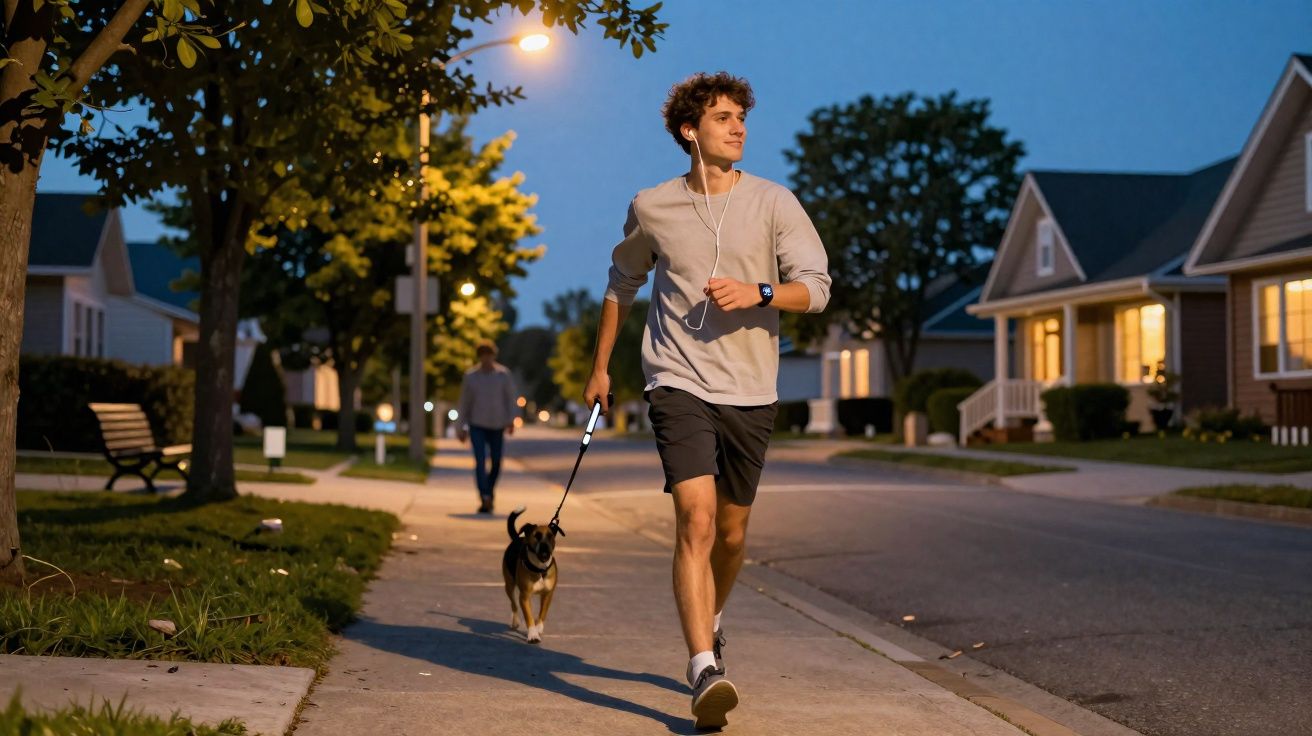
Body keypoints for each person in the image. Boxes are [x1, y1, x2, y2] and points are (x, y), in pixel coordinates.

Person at [582, 71, 831, 729]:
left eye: (742, 117)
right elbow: (620, 286)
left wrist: (763, 292)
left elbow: (818, 287)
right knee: (694, 516)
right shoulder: (652, 206)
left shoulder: (776, 202)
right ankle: (702, 669)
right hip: (676, 378)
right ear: (690, 131)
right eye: (723, 117)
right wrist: (601, 368)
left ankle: (712, 620)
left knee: (731, 530)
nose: (739, 127)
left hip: (751, 388)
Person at [456, 341, 519, 514]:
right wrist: (460, 427)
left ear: (493, 355)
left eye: (489, 355)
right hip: (477, 425)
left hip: (497, 425)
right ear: (479, 357)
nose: (486, 358)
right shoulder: (471, 376)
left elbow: (510, 399)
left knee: (497, 462)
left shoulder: (503, 375)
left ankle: (489, 491)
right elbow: (464, 403)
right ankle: (485, 496)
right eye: (483, 355)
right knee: (480, 461)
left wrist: (512, 420)